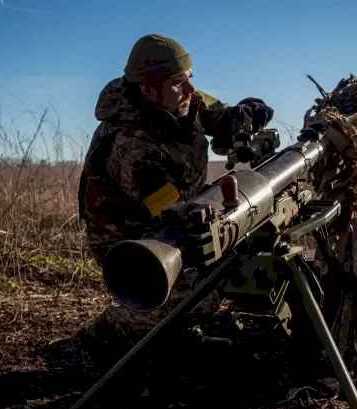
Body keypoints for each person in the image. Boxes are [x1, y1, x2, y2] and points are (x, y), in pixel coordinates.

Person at [76, 34, 274, 352]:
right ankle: (112, 328)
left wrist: (243, 115)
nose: (191, 90)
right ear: (148, 89)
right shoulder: (130, 143)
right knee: (201, 295)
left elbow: (216, 114)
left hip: (184, 211)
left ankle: (175, 328)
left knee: (237, 259)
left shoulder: (183, 100)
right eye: (179, 83)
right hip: (131, 238)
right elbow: (169, 207)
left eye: (190, 79)